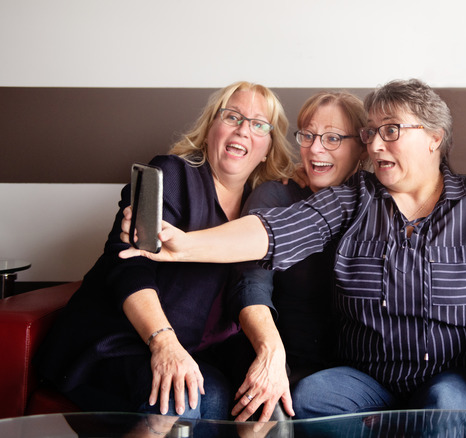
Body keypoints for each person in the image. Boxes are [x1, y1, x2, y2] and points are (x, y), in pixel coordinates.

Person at [118, 79, 466, 419]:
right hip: (366, 376)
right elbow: (275, 232)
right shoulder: (354, 197)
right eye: (372, 133)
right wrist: (187, 244)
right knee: (310, 398)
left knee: (447, 406)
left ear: (434, 137)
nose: (377, 144)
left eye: (392, 131)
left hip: (449, 374)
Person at [34, 81, 298, 421]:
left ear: (268, 148)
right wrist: (164, 344)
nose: (244, 130)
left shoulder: (261, 206)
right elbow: (129, 266)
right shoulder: (169, 174)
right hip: (117, 344)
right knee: (180, 401)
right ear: (210, 129)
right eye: (232, 116)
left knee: (235, 404)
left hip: (197, 354)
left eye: (259, 124)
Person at [227, 90, 368, 422]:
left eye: (332, 138)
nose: (315, 149)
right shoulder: (277, 193)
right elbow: (250, 283)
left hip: (355, 374)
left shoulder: (374, 199)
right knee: (265, 410)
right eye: (308, 135)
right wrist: (271, 353)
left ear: (362, 146)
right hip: (280, 357)